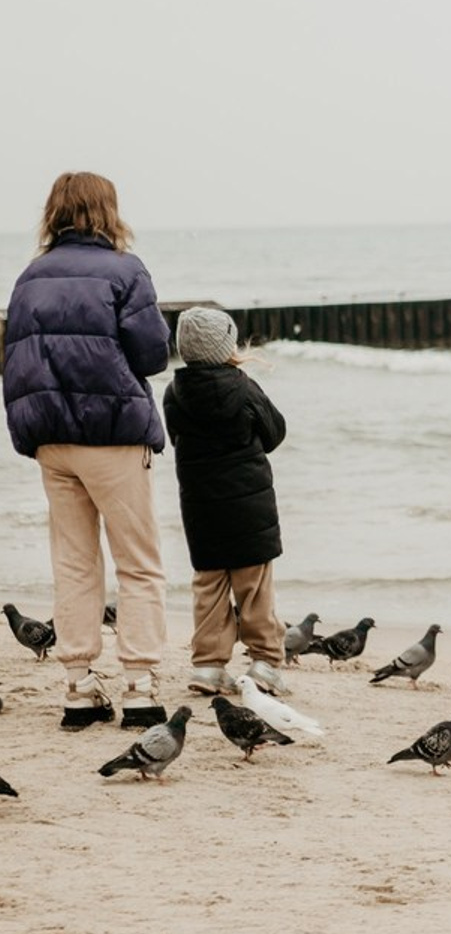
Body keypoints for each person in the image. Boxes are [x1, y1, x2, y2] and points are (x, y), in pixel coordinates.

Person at [2, 172, 171, 730]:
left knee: (74, 564)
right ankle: (140, 687)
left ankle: (77, 688)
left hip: (51, 439)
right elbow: (152, 355)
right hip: (114, 434)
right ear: (108, 211)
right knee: (139, 565)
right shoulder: (126, 270)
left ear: (53, 212)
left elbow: (16, 359)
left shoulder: (29, 276)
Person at [162, 306, 289, 697]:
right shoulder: (244, 387)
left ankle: (208, 667)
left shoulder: (174, 393)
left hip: (202, 507)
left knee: (209, 587)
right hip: (250, 508)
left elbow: (175, 439)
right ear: (226, 347)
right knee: (254, 588)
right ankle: (265, 662)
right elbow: (274, 433)